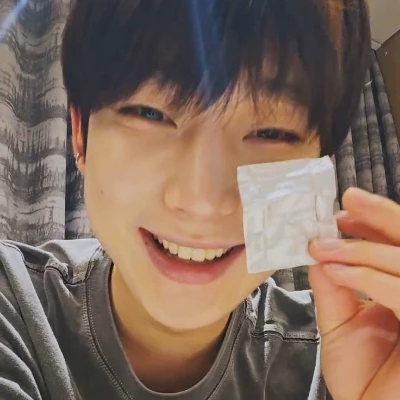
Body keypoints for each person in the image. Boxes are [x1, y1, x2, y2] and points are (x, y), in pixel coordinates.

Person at [1, 1, 400, 399]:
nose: (202, 202)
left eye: (271, 133)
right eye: (149, 113)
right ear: (80, 133)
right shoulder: (14, 305)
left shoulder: (351, 361)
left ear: (318, 173)